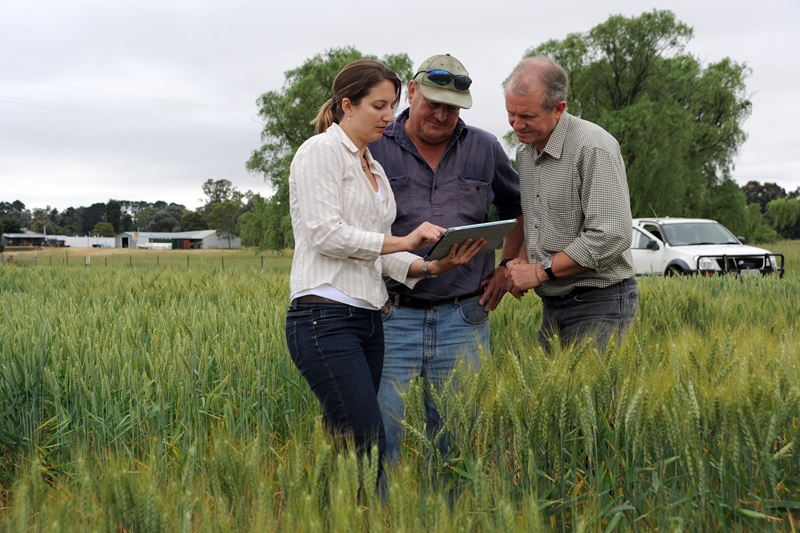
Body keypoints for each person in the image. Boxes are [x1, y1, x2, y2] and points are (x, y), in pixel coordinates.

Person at [285, 59, 484, 474]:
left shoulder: (371, 165)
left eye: (391, 106)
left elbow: (379, 252)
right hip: (324, 316)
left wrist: (432, 267)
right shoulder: (320, 151)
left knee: (353, 445)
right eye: (378, 106)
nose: (389, 116)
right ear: (347, 105)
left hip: (370, 317)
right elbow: (325, 233)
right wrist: (407, 239)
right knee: (368, 442)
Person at [369, 54, 524, 461]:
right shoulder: (373, 146)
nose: (440, 115)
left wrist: (506, 266)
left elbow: (517, 207)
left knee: (460, 438)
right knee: (386, 437)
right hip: (390, 315)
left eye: (451, 108)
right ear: (412, 91)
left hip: (464, 316)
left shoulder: (485, 147)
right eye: (432, 103)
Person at [503, 56, 638, 353]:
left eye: (526, 116)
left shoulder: (593, 146)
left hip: (599, 301)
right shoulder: (525, 151)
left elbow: (610, 236)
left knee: (595, 398)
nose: (516, 124)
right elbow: (537, 220)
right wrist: (524, 259)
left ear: (559, 108)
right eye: (510, 113)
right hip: (553, 303)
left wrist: (539, 272)